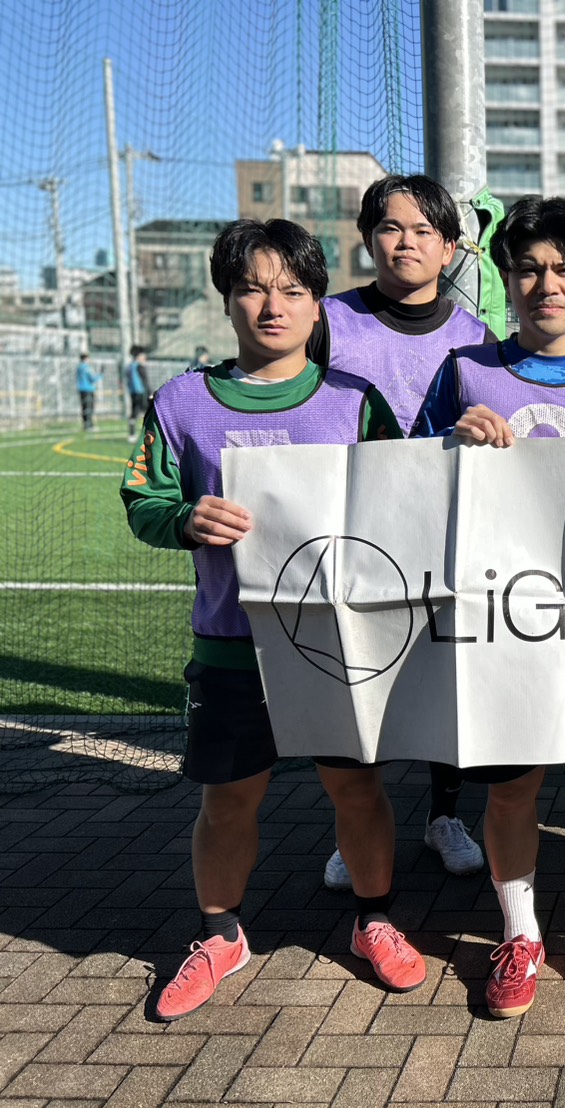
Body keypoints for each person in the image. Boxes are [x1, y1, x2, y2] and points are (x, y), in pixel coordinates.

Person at [121, 219, 425, 1022]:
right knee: (227, 801)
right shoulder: (182, 402)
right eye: (252, 288)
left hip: (333, 643)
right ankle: (220, 934)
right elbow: (144, 501)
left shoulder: (353, 402)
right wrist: (185, 518)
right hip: (231, 646)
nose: (271, 305)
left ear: (317, 304)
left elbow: (401, 505)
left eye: (291, 290)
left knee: (357, 788)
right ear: (226, 299)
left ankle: (373, 918)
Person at [416, 195, 565, 1018]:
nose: (544, 284)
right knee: (511, 789)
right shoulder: (464, 375)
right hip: (501, 624)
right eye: (527, 269)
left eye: (562, 269)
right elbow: (406, 480)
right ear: (507, 279)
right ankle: (519, 935)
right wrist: (450, 446)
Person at [311, 174, 493, 890]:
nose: (406, 242)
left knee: (446, 675)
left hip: (446, 529)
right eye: (391, 227)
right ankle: (356, 826)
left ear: (449, 247)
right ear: (368, 238)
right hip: (352, 530)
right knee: (359, 675)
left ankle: (444, 815)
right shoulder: (328, 320)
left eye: (424, 231)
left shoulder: (474, 335)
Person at [124, 345, 150, 440]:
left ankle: (132, 434)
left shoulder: (129, 366)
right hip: (141, 391)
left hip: (132, 391)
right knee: (148, 413)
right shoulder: (139, 366)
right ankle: (149, 434)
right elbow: (145, 381)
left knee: (134, 413)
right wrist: (150, 392)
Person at [76, 352, 101, 431]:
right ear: (86, 359)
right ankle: (89, 426)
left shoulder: (79, 367)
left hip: (81, 389)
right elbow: (92, 378)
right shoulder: (87, 368)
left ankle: (85, 425)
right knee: (89, 407)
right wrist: (100, 375)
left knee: (84, 407)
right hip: (88, 389)